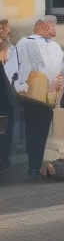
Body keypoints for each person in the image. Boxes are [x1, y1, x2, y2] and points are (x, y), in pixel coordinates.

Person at [8, 16, 64, 180]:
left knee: (54, 131)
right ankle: (34, 166)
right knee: (37, 131)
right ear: (41, 26)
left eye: (54, 25)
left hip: (54, 93)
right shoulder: (27, 43)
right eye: (51, 25)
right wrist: (21, 86)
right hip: (34, 97)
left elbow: (60, 72)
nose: (54, 28)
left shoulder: (55, 46)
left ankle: (53, 165)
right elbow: (21, 68)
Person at [0, 18, 18, 172]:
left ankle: (5, 157)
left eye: (6, 28)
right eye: (2, 28)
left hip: (7, 97)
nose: (5, 31)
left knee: (7, 127)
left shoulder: (11, 48)